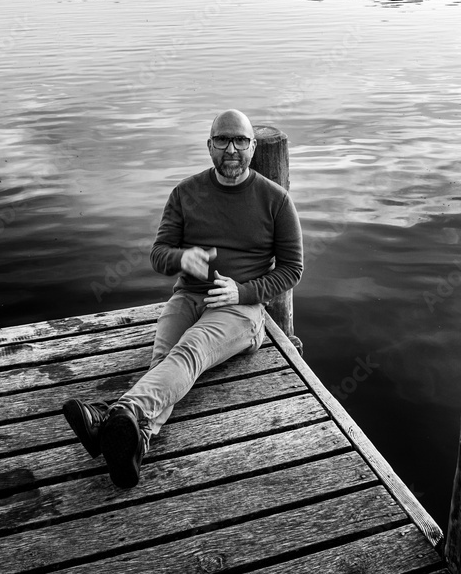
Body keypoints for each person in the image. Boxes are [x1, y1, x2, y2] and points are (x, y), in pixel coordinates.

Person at [62, 109, 303, 488]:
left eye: (241, 140)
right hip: (188, 297)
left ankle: (116, 414)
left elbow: (292, 269)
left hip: (241, 310)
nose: (232, 149)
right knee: (163, 362)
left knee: (190, 350)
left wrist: (242, 291)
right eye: (222, 140)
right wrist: (182, 259)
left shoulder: (275, 200)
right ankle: (136, 441)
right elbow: (159, 255)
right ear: (209, 145)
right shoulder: (185, 193)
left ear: (253, 147)